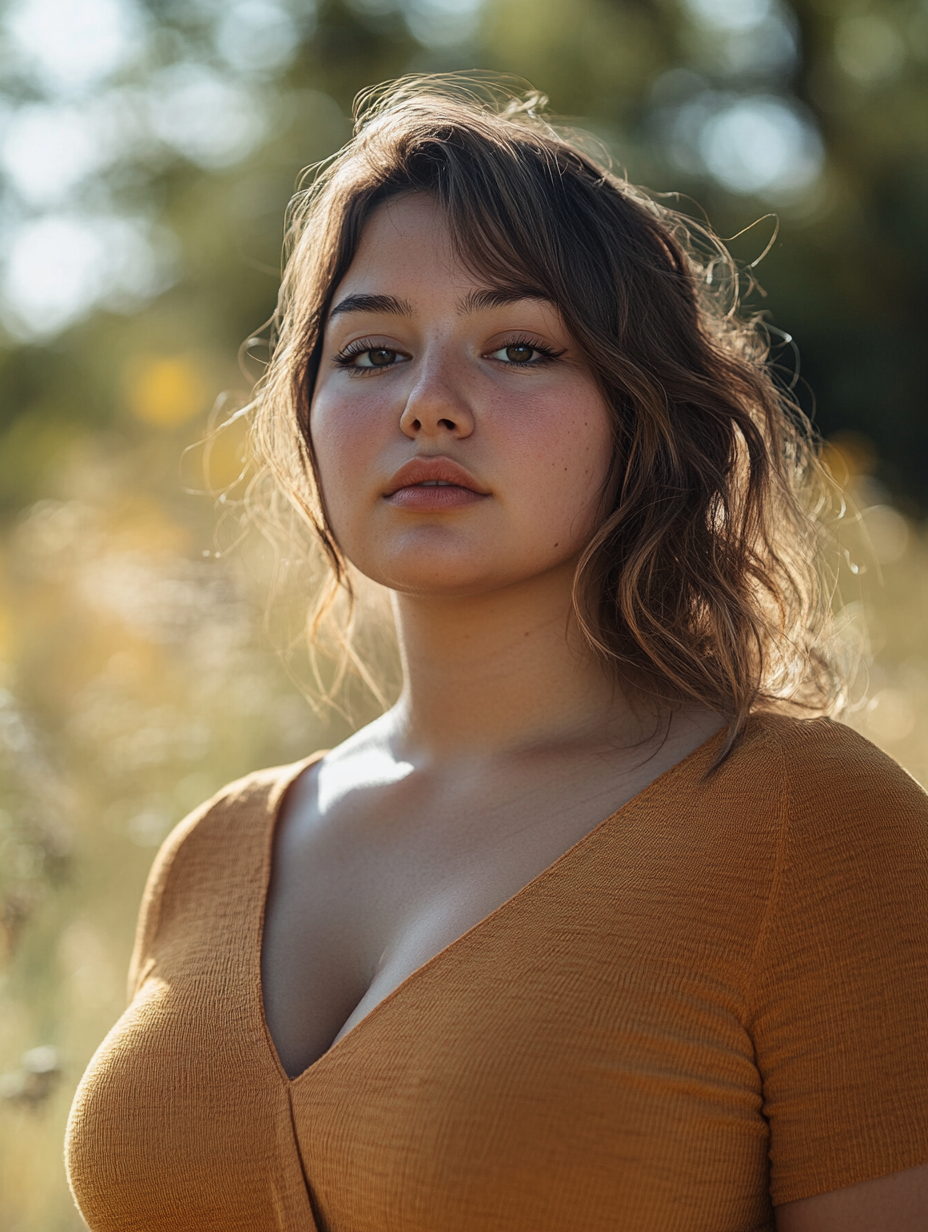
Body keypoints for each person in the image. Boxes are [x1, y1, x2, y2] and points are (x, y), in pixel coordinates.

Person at [64, 76, 928, 1232]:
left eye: (517, 347)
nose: (429, 403)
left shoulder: (804, 823)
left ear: (641, 412)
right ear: (308, 416)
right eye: (369, 353)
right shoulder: (213, 852)